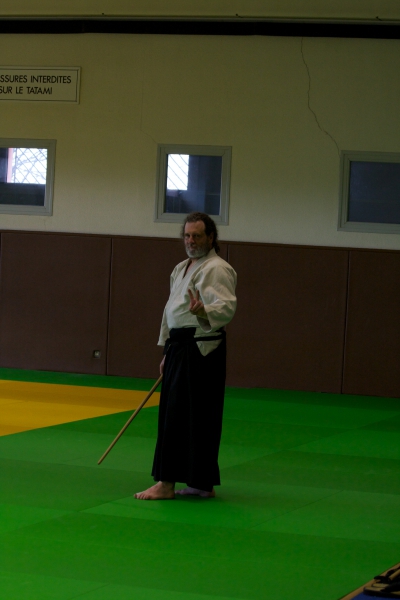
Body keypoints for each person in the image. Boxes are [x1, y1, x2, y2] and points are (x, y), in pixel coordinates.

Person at [134, 212, 237, 500]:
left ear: (211, 238)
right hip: (179, 348)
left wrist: (205, 311)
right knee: (184, 416)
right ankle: (200, 482)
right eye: (187, 235)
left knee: (189, 418)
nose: (191, 241)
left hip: (201, 349)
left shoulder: (217, 268)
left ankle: (166, 483)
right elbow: (171, 311)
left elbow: (226, 307)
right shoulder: (181, 268)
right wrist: (166, 349)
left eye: (197, 236)